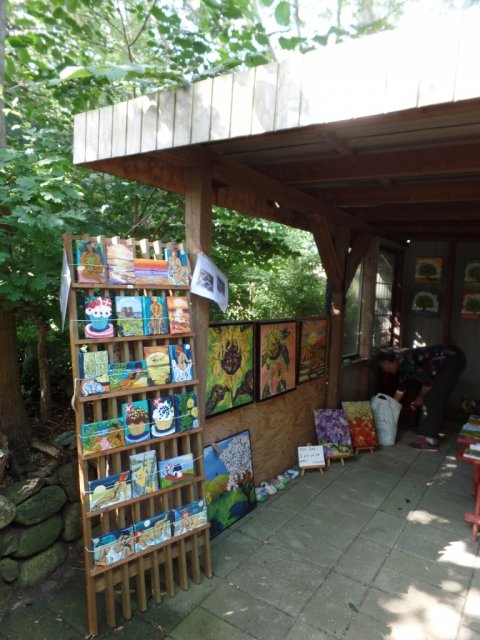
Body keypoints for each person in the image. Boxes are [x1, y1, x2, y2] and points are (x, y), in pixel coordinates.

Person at [376, 344, 466, 452]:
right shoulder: (401, 363)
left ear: (387, 362)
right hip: (451, 358)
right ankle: (427, 430)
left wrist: (420, 397)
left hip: (452, 360)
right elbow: (401, 388)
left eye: (383, 368)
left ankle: (429, 440)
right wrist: (390, 407)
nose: (385, 371)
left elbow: (428, 383)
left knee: (432, 398)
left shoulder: (404, 361)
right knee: (432, 396)